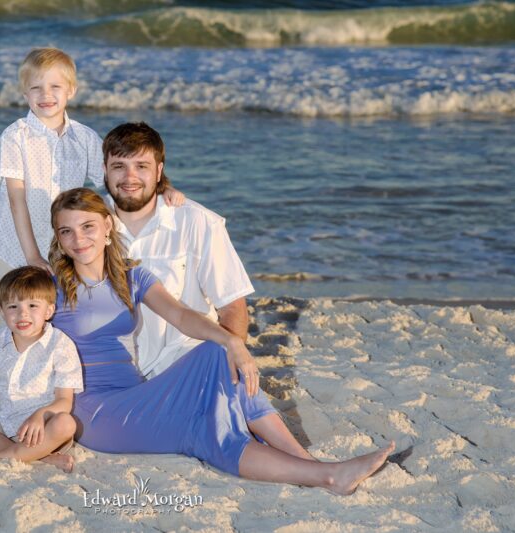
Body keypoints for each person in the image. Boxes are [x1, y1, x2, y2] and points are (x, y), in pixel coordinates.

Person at [49, 188, 394, 493]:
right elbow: (15, 340)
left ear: (107, 227)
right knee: (211, 424)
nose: (79, 239)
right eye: (67, 231)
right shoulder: (49, 287)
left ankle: (311, 467)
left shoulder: (133, 276)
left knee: (216, 352)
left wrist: (234, 343)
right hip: (95, 411)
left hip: (137, 393)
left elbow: (182, 315)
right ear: (59, 239)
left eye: (87, 226)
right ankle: (321, 472)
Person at [0, 48, 184, 328]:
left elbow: (114, 181)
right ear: (24, 95)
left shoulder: (84, 137)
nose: (46, 95)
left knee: (54, 315)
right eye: (36, 88)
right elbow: (15, 200)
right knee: (10, 316)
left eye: (55, 86)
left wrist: (162, 187)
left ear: (71, 90)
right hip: (16, 245)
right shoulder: (15, 136)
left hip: (66, 245)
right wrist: (31, 255)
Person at [102, 122, 252, 378]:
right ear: (104, 170)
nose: (129, 178)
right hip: (116, 375)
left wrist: (228, 373)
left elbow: (232, 308)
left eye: (141, 166)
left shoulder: (199, 223)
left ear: (159, 172)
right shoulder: (87, 225)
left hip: (184, 366)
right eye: (119, 166)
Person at [0, 266, 84, 475]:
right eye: (13, 306)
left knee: (66, 424)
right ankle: (41, 457)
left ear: (49, 310)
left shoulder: (61, 345)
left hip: (41, 431)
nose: (22, 314)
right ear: (2, 311)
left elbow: (64, 401)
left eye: (32, 305)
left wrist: (40, 415)